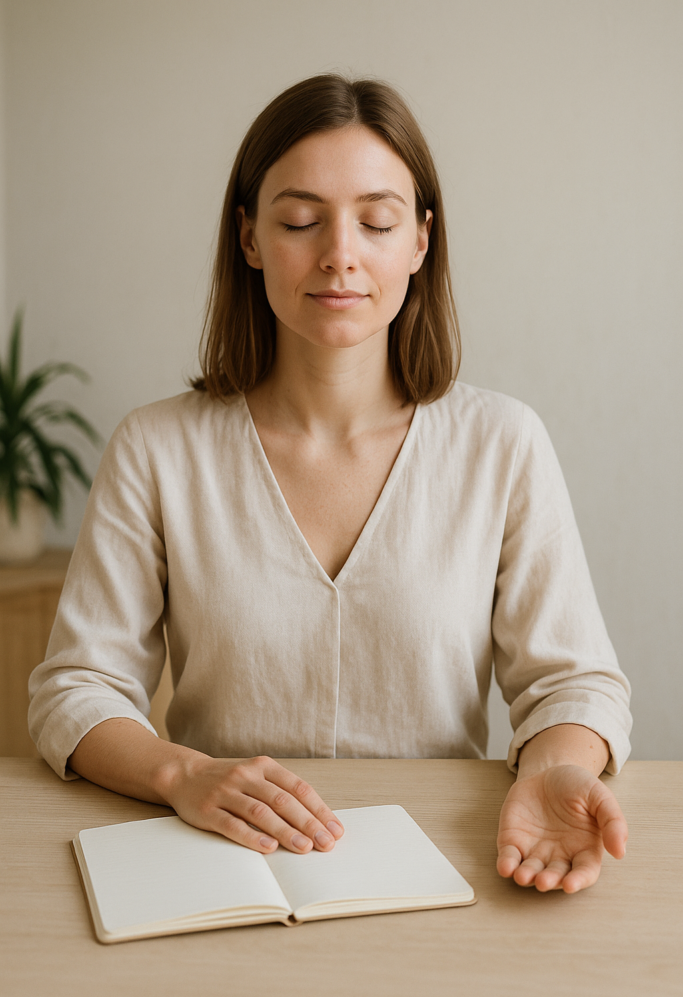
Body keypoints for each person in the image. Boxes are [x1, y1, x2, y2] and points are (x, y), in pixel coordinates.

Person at [28, 74, 632, 893]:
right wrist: (180, 775)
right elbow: (77, 686)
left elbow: (573, 682)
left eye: (376, 221)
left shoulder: (501, 442)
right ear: (248, 238)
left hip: (443, 867)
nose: (339, 253)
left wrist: (555, 768)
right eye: (300, 220)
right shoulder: (157, 446)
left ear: (420, 242)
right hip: (221, 867)